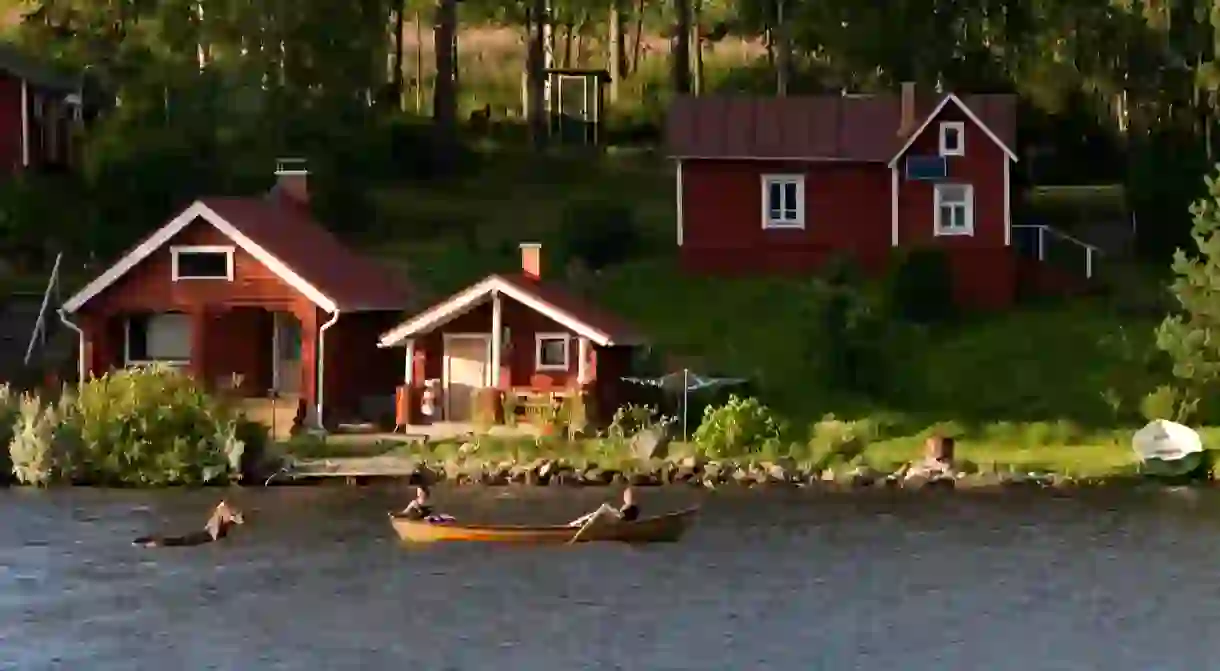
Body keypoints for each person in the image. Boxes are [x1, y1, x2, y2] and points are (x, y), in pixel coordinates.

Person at [133, 500, 245, 548]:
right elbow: (215, 535)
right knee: (179, 542)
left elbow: (217, 520)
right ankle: (150, 542)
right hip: (202, 537)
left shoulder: (220, 517)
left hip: (202, 534)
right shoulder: (221, 518)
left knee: (178, 541)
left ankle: (148, 541)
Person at [568, 487, 641, 527]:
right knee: (597, 513)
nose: (626, 497)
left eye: (628, 495)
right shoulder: (630, 506)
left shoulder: (632, 507)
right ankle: (575, 524)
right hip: (615, 522)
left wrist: (610, 511)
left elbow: (623, 519)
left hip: (616, 524)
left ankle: (575, 525)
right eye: (627, 495)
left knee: (601, 512)